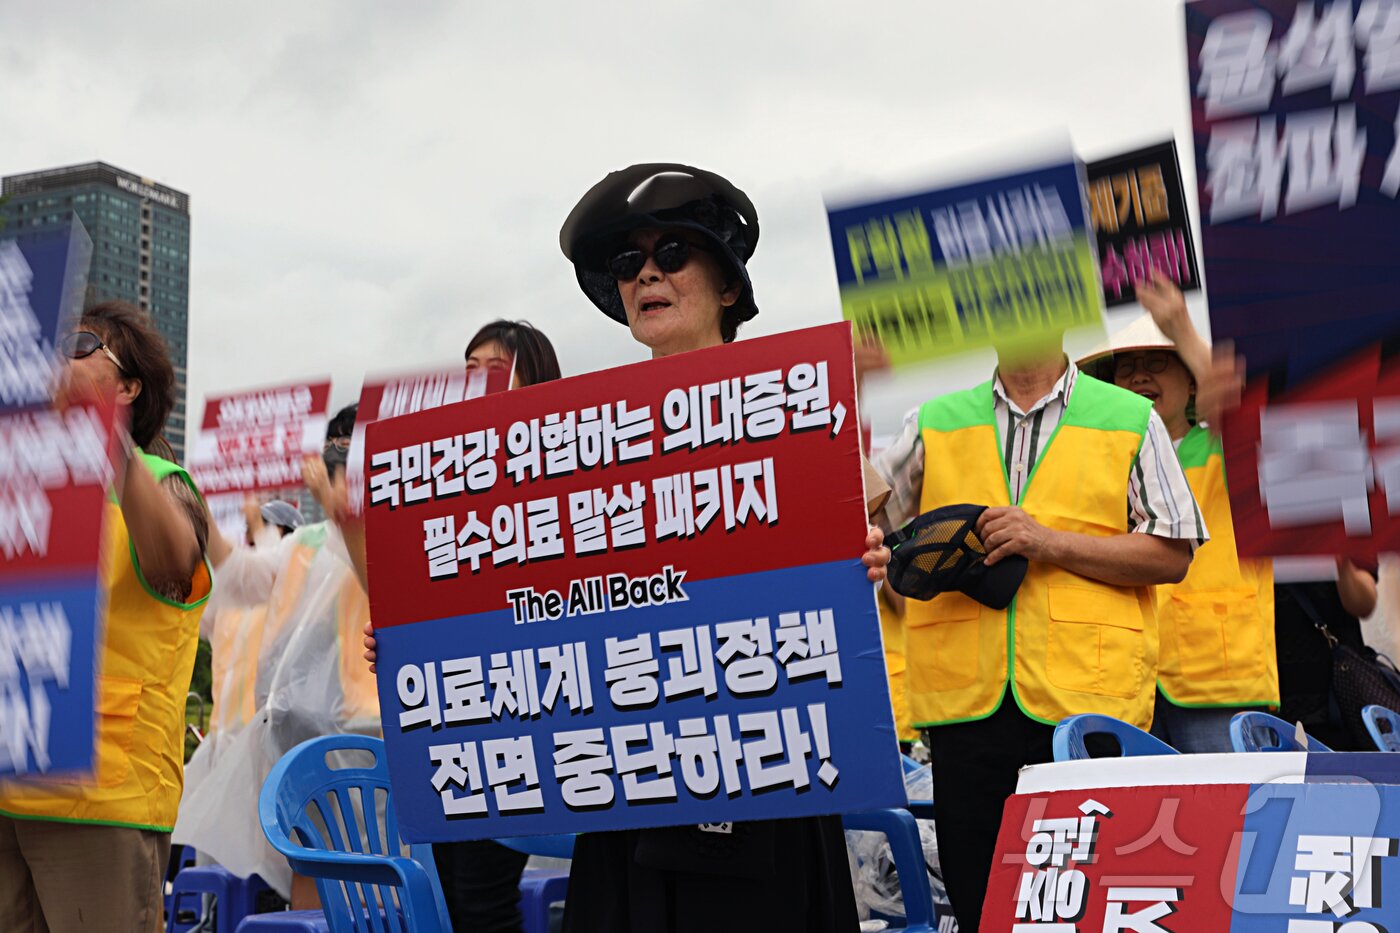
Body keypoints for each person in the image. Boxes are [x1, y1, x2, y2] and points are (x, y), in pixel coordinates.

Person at [555, 162, 890, 933]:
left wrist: (867, 572)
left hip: (760, 779)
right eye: (627, 264)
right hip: (628, 777)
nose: (646, 274)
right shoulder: (577, 447)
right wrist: (418, 643)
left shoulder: (799, 415)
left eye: (673, 253)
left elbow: (869, 585)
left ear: (729, 286)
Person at [873, 317, 1205, 930]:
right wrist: (853, 384)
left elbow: (1174, 552)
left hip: (1087, 715)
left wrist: (1047, 542)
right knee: (981, 906)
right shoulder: (932, 421)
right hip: (964, 711)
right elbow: (865, 520)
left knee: (1090, 908)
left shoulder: (1130, 418)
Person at [0, 300, 212, 933]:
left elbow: (176, 564)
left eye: (81, 343)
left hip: (103, 796)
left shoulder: (161, 478)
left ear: (128, 386)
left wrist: (104, 439)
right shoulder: (25, 494)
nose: (58, 358)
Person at [352, 321, 562, 933]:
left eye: (494, 367)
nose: (475, 381)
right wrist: (393, 641)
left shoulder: (566, 475)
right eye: (468, 368)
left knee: (481, 903)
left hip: (528, 719)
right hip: (452, 723)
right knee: (449, 899)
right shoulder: (432, 487)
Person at [1076, 273, 1276, 752]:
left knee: (1231, 822)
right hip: (1124, 680)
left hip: (1218, 681)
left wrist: (1181, 327)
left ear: (1190, 382)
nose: (1139, 376)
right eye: (1126, 370)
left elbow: (1243, 410)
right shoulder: (1099, 459)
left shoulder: (1225, 446)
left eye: (1156, 364)